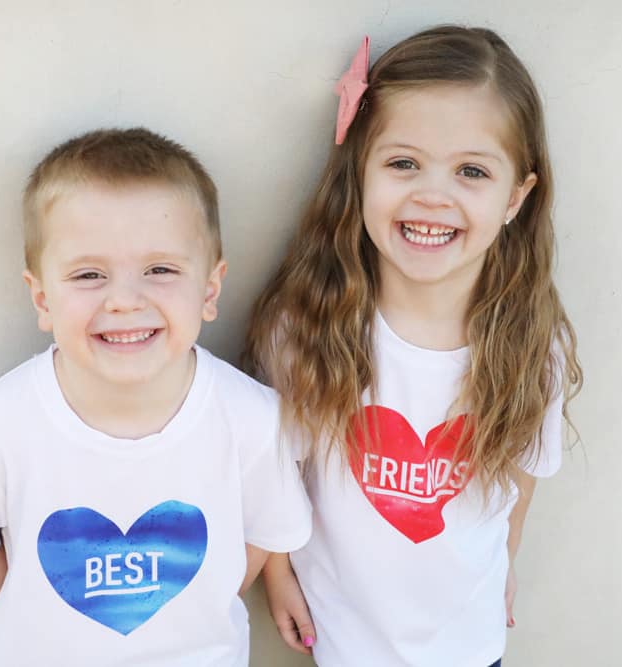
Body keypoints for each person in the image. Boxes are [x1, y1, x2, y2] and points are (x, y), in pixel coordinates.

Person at [0, 127, 311, 666]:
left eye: (160, 270)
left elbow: (265, 531)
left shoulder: (253, 419)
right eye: (89, 274)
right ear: (42, 297)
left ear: (210, 291)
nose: (124, 300)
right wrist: (40, 604)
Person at [245, 26, 582, 667]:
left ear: (516, 197)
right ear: (361, 171)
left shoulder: (534, 344)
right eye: (404, 163)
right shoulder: (307, 326)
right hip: (344, 642)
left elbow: (522, 474)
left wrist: (503, 564)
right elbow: (273, 471)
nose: (433, 195)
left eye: (472, 171)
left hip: (472, 645)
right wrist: (277, 573)